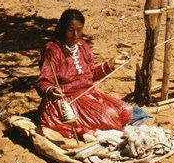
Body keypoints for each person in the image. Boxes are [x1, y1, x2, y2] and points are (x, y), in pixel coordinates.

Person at [36, 9, 138, 139]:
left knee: (126, 111)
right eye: (70, 30)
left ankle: (96, 130)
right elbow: (43, 81)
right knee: (110, 116)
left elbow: (90, 77)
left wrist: (111, 64)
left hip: (87, 94)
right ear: (62, 29)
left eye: (79, 29)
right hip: (66, 99)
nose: (75, 34)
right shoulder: (53, 50)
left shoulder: (84, 47)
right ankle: (90, 131)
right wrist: (50, 91)